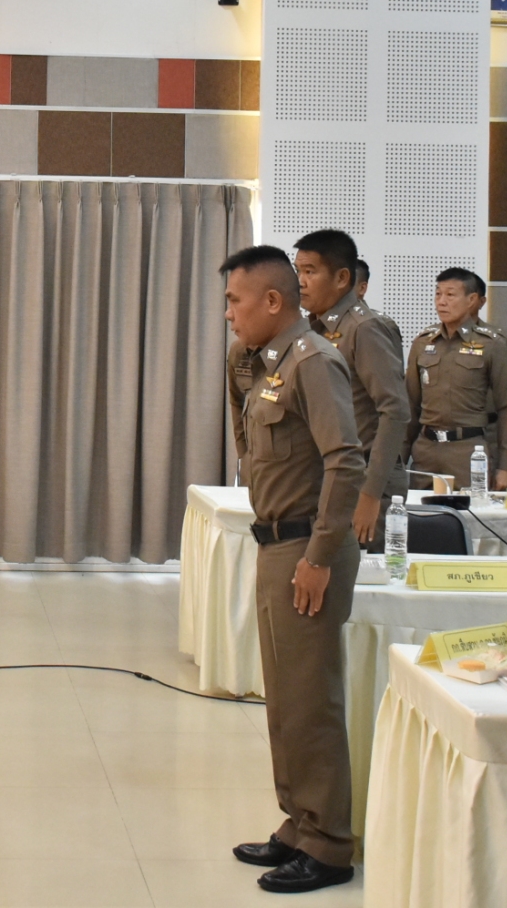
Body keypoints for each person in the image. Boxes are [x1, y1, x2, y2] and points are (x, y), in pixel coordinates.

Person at [221, 245, 361, 894]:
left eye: (235, 301)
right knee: (284, 700)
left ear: (272, 301)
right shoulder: (264, 363)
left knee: (311, 703)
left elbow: (345, 461)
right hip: (277, 543)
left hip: (307, 548)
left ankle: (329, 844)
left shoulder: (313, 361)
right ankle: (299, 823)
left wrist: (319, 557)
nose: (230, 313)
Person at [294, 229, 410, 544]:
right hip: (330, 476)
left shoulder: (364, 328)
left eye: (310, 272)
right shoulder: (313, 328)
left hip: (366, 481)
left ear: (342, 278)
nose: (300, 282)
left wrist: (371, 494)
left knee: (364, 573)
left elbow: (395, 410)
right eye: (298, 271)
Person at [405, 268, 507, 489]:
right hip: (426, 450)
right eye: (438, 294)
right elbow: (410, 403)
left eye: (450, 295)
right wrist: (399, 457)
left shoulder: (492, 344)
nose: (441, 302)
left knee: (469, 509)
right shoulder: (423, 342)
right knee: (421, 509)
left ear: (471, 300)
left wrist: (505, 467)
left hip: (468, 450)